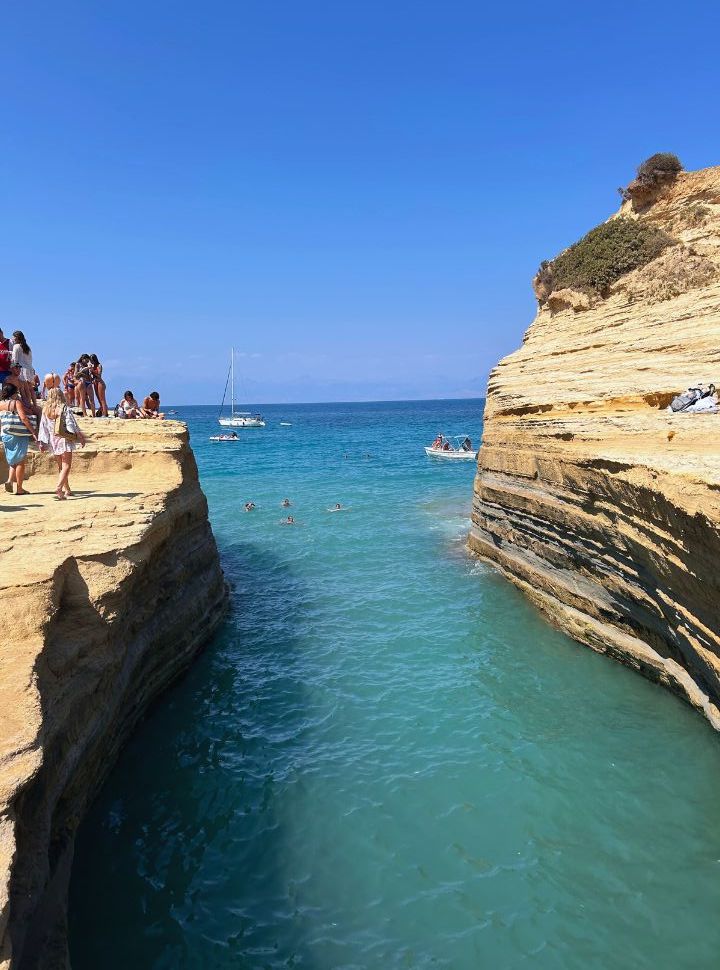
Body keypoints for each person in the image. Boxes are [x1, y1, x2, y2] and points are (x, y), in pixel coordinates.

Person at [38, 387, 86, 499]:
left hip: (53, 440)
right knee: (67, 465)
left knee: (61, 466)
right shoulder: (64, 408)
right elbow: (72, 424)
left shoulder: (45, 410)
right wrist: (80, 437)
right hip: (64, 438)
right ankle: (59, 488)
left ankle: (67, 489)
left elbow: (43, 427)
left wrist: (42, 442)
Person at [0, 382, 38, 495]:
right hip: (18, 434)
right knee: (20, 461)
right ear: (13, 393)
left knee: (13, 460)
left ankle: (9, 481)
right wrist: (33, 432)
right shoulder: (16, 402)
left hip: (5, 434)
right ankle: (20, 489)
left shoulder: (0, 404)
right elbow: (24, 418)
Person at [10, 331, 35, 405]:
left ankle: (27, 405)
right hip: (29, 370)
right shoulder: (27, 347)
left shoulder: (16, 346)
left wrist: (12, 369)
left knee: (23, 390)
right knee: (30, 389)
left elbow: (14, 360)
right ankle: (34, 404)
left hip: (21, 370)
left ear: (17, 338)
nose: (12, 339)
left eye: (13, 337)